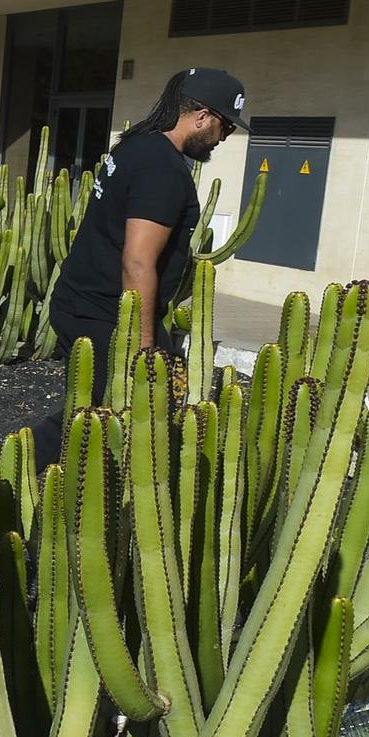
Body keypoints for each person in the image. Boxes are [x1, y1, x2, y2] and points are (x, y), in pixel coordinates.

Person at [32, 67, 248, 466]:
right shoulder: (163, 169)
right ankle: (15, 470)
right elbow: (137, 260)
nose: (223, 138)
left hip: (85, 301)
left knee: (110, 409)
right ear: (201, 116)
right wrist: (143, 347)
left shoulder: (135, 146)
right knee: (97, 415)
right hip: (104, 314)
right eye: (224, 127)